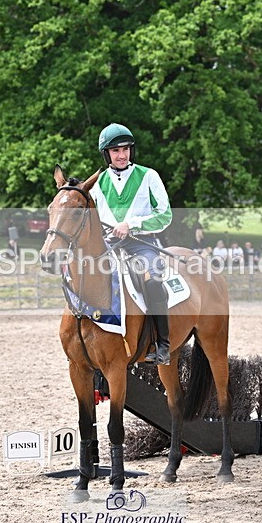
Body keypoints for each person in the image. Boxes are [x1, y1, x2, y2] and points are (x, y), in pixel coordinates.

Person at [90, 123, 173, 365]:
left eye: (125, 149)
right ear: (107, 154)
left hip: (140, 243)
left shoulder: (149, 176)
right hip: (108, 246)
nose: (122, 155)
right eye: (115, 151)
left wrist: (132, 224)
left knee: (152, 280)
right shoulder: (97, 183)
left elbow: (165, 215)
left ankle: (162, 344)